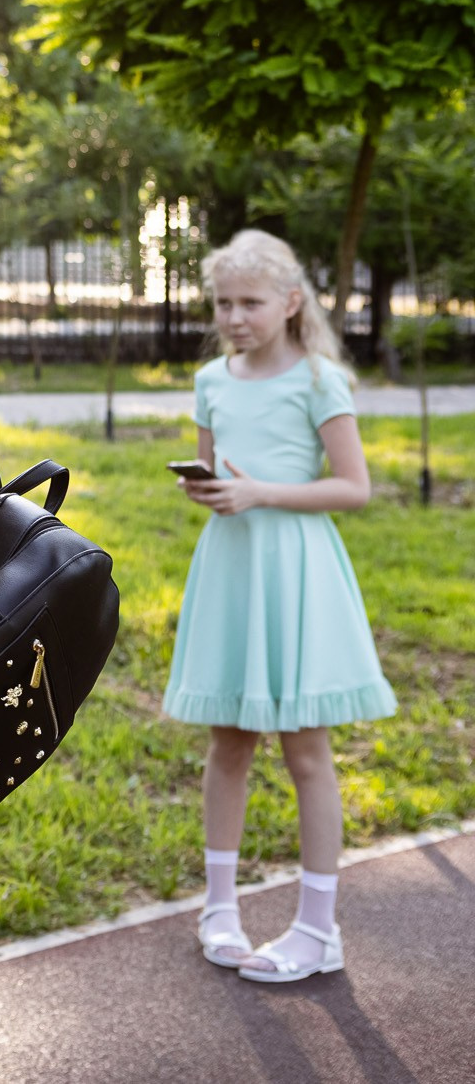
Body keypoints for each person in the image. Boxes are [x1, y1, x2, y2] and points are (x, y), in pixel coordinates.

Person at [167, 229, 395, 984]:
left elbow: (354, 487)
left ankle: (316, 927)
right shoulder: (211, 379)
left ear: (291, 302)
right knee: (228, 743)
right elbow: (214, 468)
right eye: (224, 302)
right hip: (232, 568)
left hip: (297, 572)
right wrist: (208, 489)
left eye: (251, 302)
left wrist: (261, 489)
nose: (234, 316)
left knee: (305, 751)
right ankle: (220, 908)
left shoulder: (319, 379)